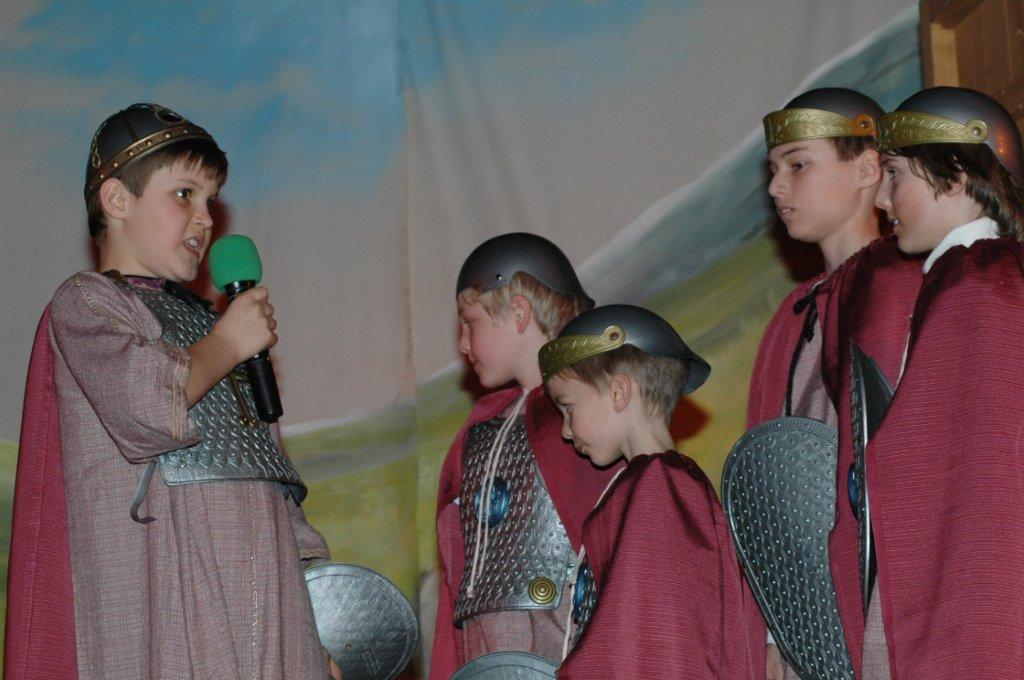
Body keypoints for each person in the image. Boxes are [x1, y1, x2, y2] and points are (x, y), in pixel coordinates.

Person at [5, 103, 338, 680]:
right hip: (170, 588)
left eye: (211, 201)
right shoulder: (89, 302)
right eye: (185, 194)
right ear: (117, 200)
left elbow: (274, 474)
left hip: (270, 590)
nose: (206, 218)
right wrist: (228, 342)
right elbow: (146, 404)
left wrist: (315, 626)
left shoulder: (214, 328)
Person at [747, 87, 920, 679]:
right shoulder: (792, 315)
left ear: (868, 170)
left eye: (798, 164)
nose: (776, 187)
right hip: (808, 605)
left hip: (884, 594)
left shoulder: (905, 287)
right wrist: (777, 630)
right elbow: (774, 491)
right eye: (773, 170)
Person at [865, 86, 1024, 678]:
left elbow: (984, 478)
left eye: (895, 174)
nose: (881, 197)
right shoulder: (964, 278)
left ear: (955, 176)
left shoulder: (981, 283)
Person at [430, 233, 619, 678]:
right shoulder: (482, 427)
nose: (463, 344)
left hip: (561, 640)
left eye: (470, 322)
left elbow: (614, 556)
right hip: (484, 647)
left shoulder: (589, 419)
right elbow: (457, 565)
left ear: (518, 313)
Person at [540, 304, 763, 679]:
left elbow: (646, 641)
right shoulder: (658, 484)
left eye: (568, 407)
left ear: (618, 392)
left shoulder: (658, 489)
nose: (565, 430)